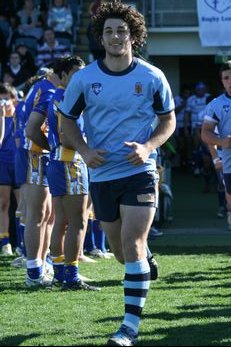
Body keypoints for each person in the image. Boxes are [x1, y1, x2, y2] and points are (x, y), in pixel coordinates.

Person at [58, 1, 176, 345]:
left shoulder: (152, 76)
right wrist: (83, 150)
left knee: (133, 244)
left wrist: (148, 147)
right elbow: (66, 120)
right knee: (121, 252)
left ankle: (128, 328)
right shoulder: (84, 78)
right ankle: (145, 259)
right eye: (108, 30)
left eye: (121, 30)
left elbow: (168, 120)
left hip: (139, 171)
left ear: (133, 36)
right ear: (101, 36)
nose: (114, 36)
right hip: (102, 176)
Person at [47, 55, 100, 291]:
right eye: (77, 73)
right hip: (71, 162)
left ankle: (59, 272)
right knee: (78, 222)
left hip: (56, 161)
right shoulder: (67, 97)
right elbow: (68, 137)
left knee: (61, 221)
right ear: (65, 75)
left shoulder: (54, 97)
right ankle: (71, 276)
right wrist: (86, 146)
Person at [201, 60, 231, 230]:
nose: (230, 82)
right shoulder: (216, 105)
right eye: (226, 78)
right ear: (222, 81)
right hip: (228, 161)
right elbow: (205, 133)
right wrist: (222, 142)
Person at [0, 83, 18, 256]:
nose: (3, 102)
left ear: (13, 99)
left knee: (23, 205)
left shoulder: (20, 115)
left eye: (6, 97)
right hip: (3, 163)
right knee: (3, 203)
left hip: (19, 162)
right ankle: (5, 242)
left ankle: (22, 244)